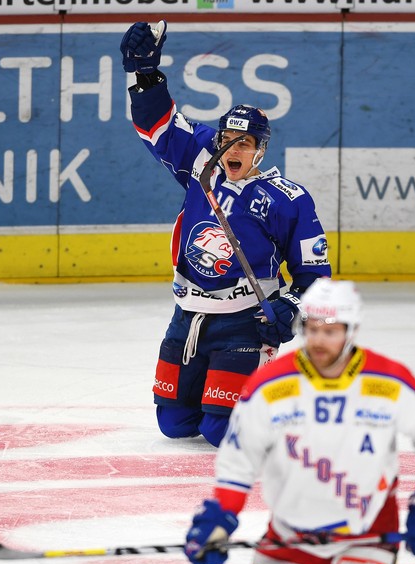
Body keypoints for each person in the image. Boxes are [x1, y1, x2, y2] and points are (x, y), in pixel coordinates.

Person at [119, 21, 331, 446]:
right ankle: (230, 392)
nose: (233, 150)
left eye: (245, 143)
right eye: (227, 140)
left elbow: (315, 275)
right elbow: (158, 124)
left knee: (220, 431)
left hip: (244, 323)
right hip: (189, 315)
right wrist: (145, 75)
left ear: (261, 150)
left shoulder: (287, 198)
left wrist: (288, 308)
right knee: (175, 425)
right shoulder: (202, 163)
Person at [184, 278, 415, 564]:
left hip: (368, 536)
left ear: (351, 331)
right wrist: (221, 515)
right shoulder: (272, 385)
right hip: (289, 534)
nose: (318, 341)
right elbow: (239, 458)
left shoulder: (388, 381)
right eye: (312, 329)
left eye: (329, 332)